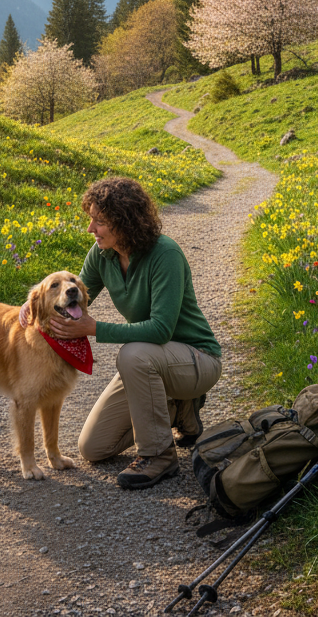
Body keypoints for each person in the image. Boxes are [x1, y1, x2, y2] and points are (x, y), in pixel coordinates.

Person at [47, 176, 222, 489]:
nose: (91, 229)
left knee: (132, 354)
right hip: (153, 362)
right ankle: (178, 409)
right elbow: (76, 295)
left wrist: (94, 328)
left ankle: (159, 455)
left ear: (123, 222)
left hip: (197, 358)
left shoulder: (165, 254)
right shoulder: (102, 255)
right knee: (93, 448)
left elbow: (160, 329)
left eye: (99, 221)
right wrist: (32, 306)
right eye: (91, 220)